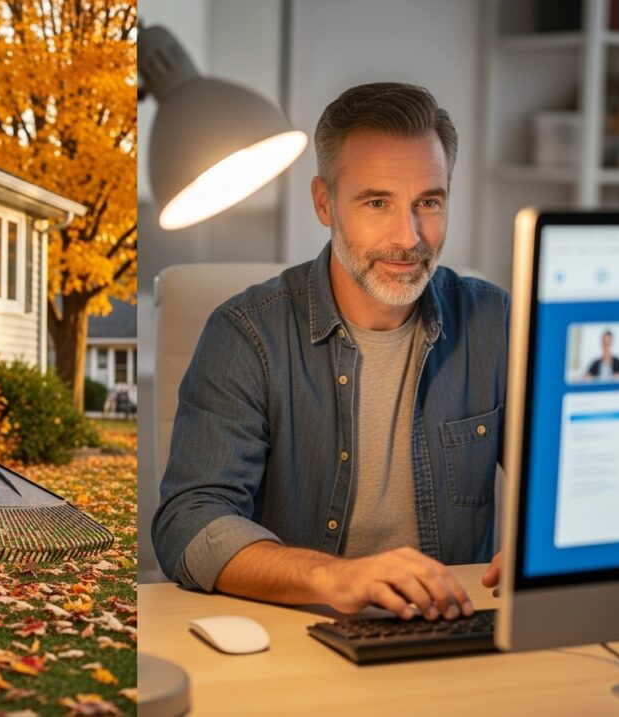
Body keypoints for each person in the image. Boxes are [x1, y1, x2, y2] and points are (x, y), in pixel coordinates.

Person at [153, 83, 509, 621]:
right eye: (377, 203)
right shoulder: (245, 335)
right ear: (325, 203)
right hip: (297, 638)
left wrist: (552, 545)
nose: (408, 236)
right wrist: (332, 576)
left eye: (429, 203)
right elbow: (190, 521)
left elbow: (578, 474)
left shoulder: (494, 324)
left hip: (453, 635)